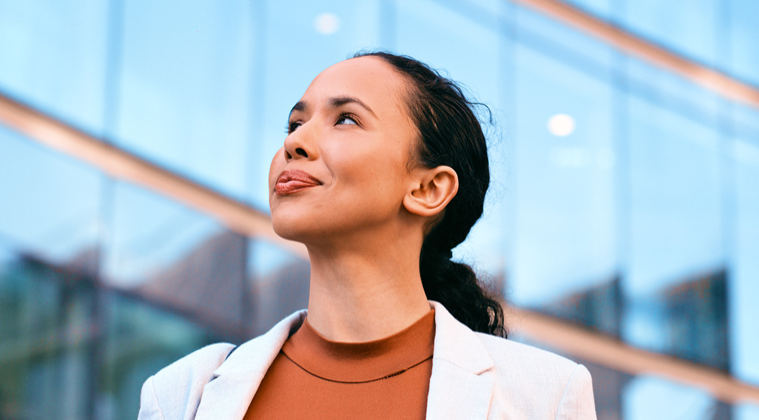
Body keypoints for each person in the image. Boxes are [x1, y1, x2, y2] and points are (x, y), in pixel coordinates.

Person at [137, 52, 596, 420]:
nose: (294, 143)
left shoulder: (545, 396)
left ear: (427, 188)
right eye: (295, 124)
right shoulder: (184, 394)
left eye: (346, 120)